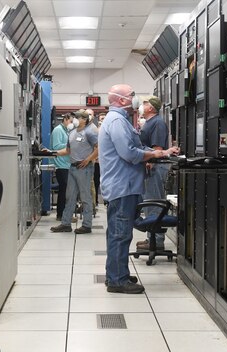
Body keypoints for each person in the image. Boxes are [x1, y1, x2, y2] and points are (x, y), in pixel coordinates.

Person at [99, 84, 179, 294]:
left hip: (125, 186)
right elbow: (130, 154)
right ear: (122, 100)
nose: (136, 99)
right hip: (122, 186)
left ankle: (116, 274)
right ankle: (117, 280)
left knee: (119, 232)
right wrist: (154, 154)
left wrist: (160, 153)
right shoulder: (116, 121)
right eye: (132, 95)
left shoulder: (121, 120)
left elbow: (137, 148)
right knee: (120, 233)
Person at [50, 110, 98, 234]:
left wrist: (88, 160)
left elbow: (99, 148)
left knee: (85, 197)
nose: (74, 119)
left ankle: (87, 225)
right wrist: (51, 153)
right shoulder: (71, 133)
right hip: (72, 167)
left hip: (84, 168)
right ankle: (66, 223)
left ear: (84, 119)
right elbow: (67, 150)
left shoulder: (90, 132)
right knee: (69, 196)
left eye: (77, 117)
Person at [137, 96, 171, 250]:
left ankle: (157, 241)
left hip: (155, 167)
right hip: (150, 166)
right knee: (149, 204)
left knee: (155, 203)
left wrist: (150, 162)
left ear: (151, 108)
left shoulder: (157, 123)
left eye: (145, 104)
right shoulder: (149, 123)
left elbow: (157, 148)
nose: (142, 106)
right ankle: (151, 237)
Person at [51, 113, 74, 221]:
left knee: (68, 191)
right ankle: (61, 214)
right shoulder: (58, 130)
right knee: (63, 190)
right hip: (61, 164)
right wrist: (70, 144)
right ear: (65, 119)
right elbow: (56, 146)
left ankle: (66, 214)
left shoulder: (67, 131)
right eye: (70, 121)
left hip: (67, 164)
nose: (72, 124)